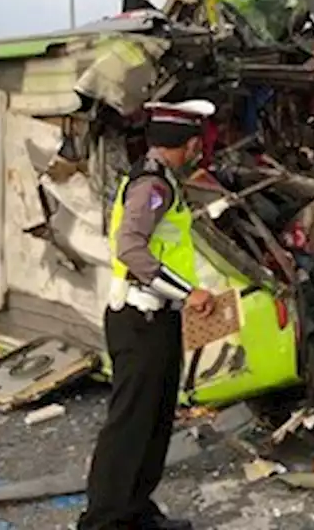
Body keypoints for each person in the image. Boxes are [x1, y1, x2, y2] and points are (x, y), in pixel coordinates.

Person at [78, 100, 217, 530]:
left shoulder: (159, 180)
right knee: (131, 425)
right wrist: (188, 292)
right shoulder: (152, 186)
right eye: (196, 141)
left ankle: (135, 511)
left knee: (154, 422)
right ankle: (103, 521)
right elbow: (130, 247)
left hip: (156, 320)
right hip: (141, 320)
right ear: (189, 142)